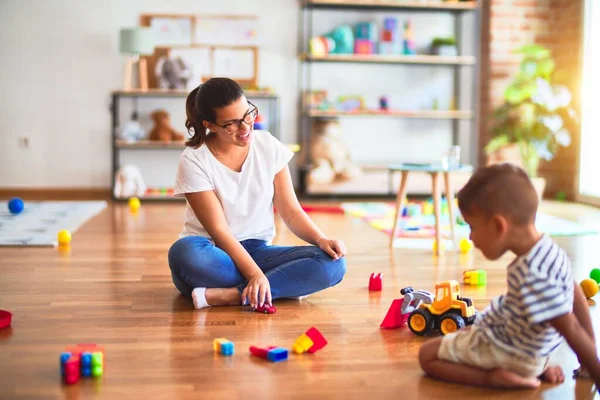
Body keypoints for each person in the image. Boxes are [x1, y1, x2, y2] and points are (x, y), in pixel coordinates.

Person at [168, 78, 347, 310]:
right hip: (214, 253)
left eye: (248, 114)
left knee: (333, 264)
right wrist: (255, 274)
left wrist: (321, 240)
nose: (245, 128)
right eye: (231, 124)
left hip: (258, 251)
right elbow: (220, 231)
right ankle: (280, 285)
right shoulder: (194, 160)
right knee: (185, 253)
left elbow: (291, 212)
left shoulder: (268, 145)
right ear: (210, 125)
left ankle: (234, 295)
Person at [418, 163, 600, 389]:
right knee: (464, 331)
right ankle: (538, 367)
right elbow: (575, 294)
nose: (472, 238)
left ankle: (493, 378)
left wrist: (596, 369)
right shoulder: (550, 249)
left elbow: (571, 329)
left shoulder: (531, 275)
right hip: (530, 351)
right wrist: (587, 359)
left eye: (472, 227)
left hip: (514, 355)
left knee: (427, 355)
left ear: (497, 226)